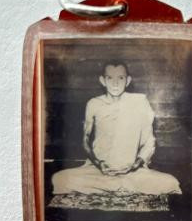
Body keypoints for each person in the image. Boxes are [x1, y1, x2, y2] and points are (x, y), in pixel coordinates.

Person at [52, 62, 181, 197]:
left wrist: (136, 164)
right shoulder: (94, 104)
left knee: (171, 182)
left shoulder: (139, 102)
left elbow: (149, 141)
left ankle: (110, 187)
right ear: (103, 80)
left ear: (127, 81)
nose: (115, 83)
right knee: (59, 179)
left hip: (131, 171)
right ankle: (120, 187)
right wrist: (98, 163)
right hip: (99, 170)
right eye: (110, 78)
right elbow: (85, 140)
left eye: (120, 78)